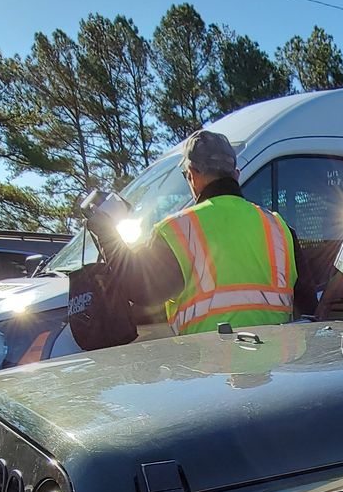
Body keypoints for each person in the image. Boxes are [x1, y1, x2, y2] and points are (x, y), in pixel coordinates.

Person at [123, 130, 314, 338]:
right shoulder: (279, 227)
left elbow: (139, 290)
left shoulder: (176, 230)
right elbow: (309, 310)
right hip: (274, 367)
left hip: (209, 367)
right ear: (236, 174)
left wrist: (106, 234)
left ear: (192, 175)